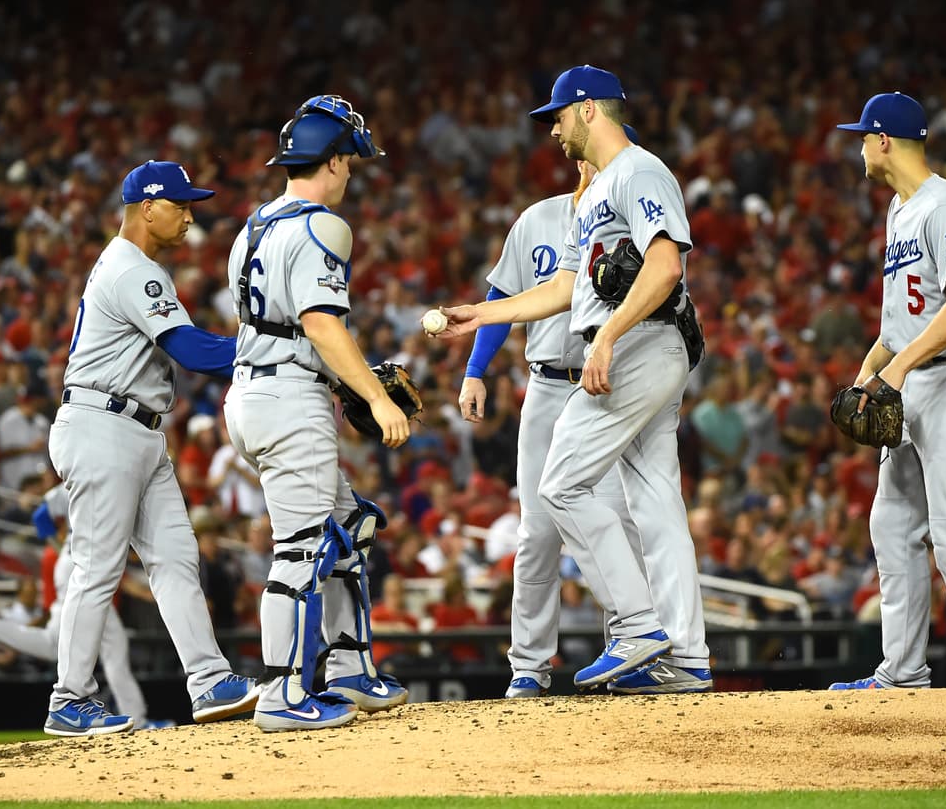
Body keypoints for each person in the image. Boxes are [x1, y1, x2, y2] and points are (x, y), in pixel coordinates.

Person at [437, 65, 704, 690]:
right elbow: (562, 288)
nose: (553, 132)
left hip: (636, 348)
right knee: (657, 504)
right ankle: (687, 657)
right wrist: (482, 313)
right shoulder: (602, 193)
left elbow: (666, 265)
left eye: (556, 117)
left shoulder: (637, 170)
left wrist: (607, 336)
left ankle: (638, 628)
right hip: (640, 348)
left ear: (587, 110)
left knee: (559, 487)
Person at [45, 160, 258, 736]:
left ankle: (210, 680)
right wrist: (270, 345)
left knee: (175, 557)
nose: (191, 215)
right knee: (98, 567)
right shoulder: (131, 268)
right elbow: (190, 349)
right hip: (102, 423)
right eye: (181, 205)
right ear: (146, 207)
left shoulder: (136, 267)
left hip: (135, 427)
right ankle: (70, 698)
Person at [223, 95, 410, 733]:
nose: (352, 172)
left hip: (252, 393)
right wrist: (377, 396)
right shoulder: (324, 224)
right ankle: (280, 696)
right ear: (330, 160)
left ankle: (350, 672)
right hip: (287, 399)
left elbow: (281, 326)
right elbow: (320, 323)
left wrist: (344, 375)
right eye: (349, 160)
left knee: (348, 527)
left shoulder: (252, 224)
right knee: (301, 549)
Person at [829, 93, 946, 696]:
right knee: (893, 524)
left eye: (862, 137)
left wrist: (898, 370)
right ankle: (902, 673)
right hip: (914, 378)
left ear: (884, 141)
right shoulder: (898, 211)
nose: (857, 146)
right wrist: (868, 372)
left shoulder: (945, 205)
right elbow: (896, 327)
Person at [0, 486, 172, 729]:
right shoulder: (105, 473)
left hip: (73, 563)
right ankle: (138, 718)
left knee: (54, 644)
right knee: (114, 645)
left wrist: (63, 549)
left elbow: (41, 517)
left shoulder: (77, 476)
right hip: (83, 565)